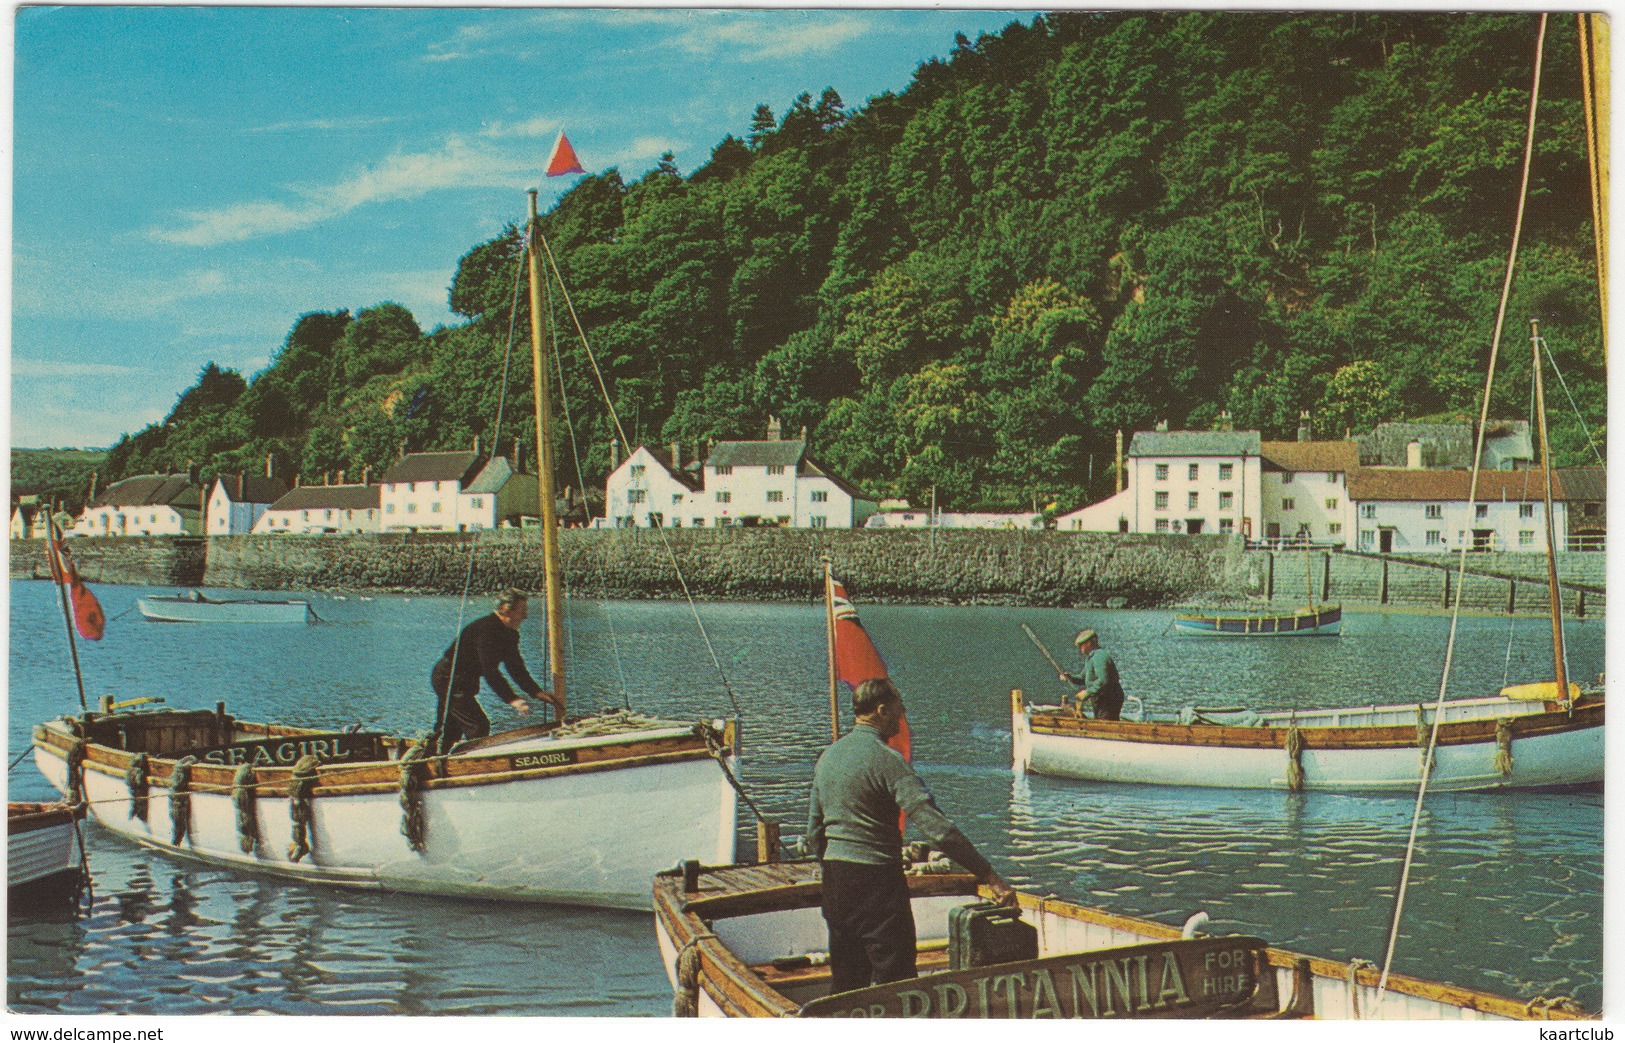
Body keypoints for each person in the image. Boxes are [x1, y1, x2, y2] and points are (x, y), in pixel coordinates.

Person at [805, 677, 1016, 995]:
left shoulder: (828, 758)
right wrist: (990, 876)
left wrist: (837, 869)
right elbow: (940, 830)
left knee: (847, 984)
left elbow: (814, 833)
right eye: (898, 710)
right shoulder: (889, 762)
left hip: (836, 882)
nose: (902, 717)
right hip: (876, 882)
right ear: (881, 710)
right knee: (898, 982)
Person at [430, 589, 564, 754]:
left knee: (450, 729)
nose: (525, 617)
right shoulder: (486, 630)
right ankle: (470, 767)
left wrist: (536, 692)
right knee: (478, 726)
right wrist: (512, 699)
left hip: (463, 682)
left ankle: (435, 761)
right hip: (448, 679)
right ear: (506, 609)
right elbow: (490, 671)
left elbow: (516, 668)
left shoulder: (510, 634)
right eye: (522, 611)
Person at [1059, 628, 1125, 720]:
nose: (1079, 648)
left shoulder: (1099, 656)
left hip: (1108, 699)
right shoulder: (1090, 657)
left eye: (1081, 645)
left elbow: (1103, 680)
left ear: (1089, 643)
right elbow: (1083, 678)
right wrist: (1070, 678)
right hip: (1100, 698)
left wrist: (1087, 692)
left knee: (1105, 725)